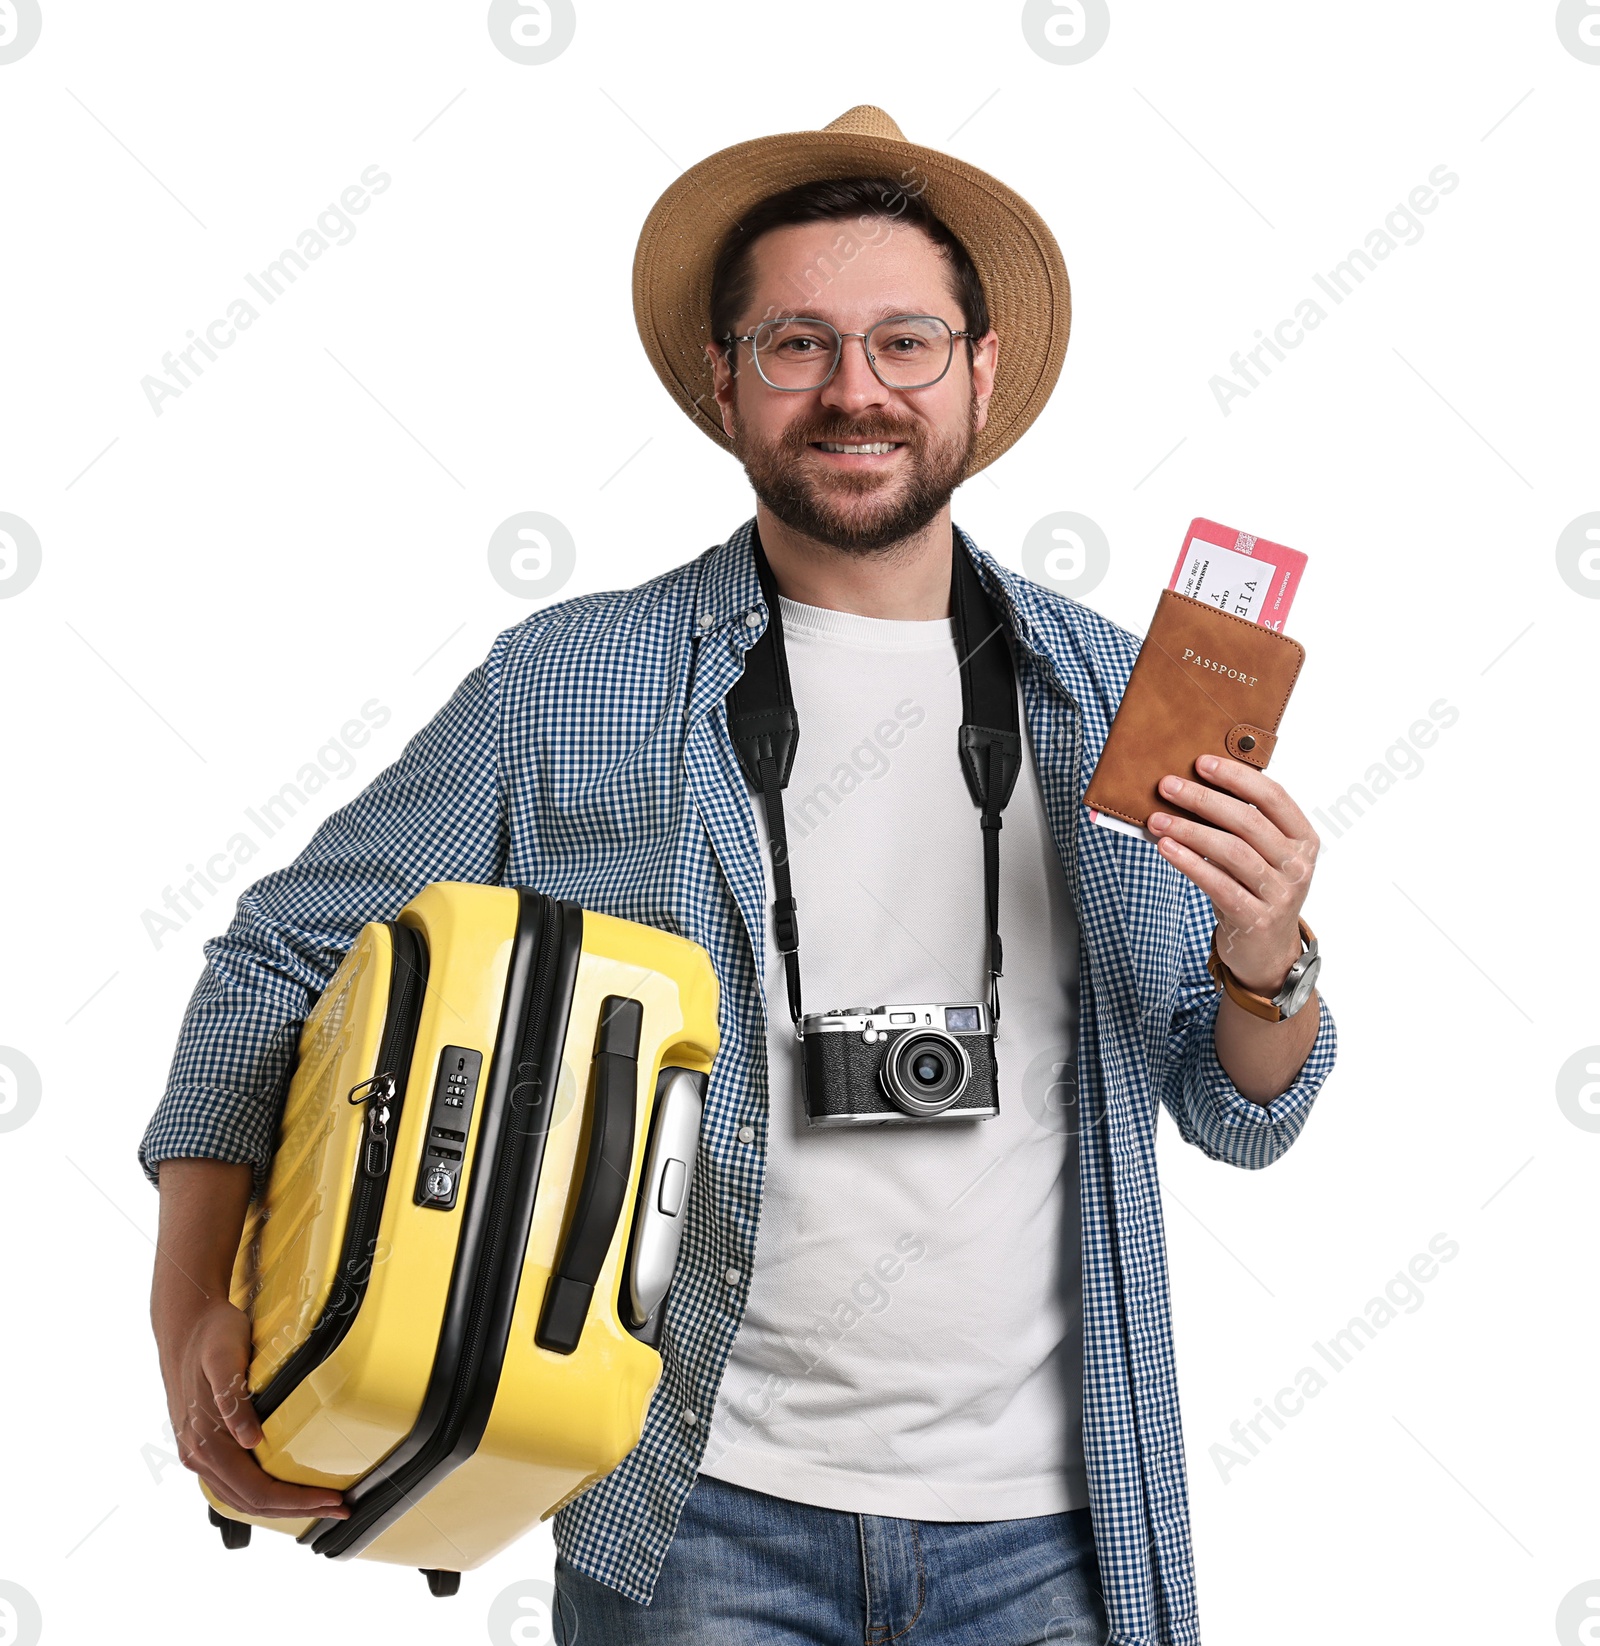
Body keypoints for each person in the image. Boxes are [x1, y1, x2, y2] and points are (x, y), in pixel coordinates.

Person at [142, 105, 1337, 1645]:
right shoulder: (568, 683)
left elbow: (1242, 1104)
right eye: (797, 344)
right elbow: (276, 965)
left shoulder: (1117, 696)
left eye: (906, 342)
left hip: (1057, 1528)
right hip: (697, 1516)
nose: (857, 391)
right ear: (724, 382)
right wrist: (189, 1309)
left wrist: (1269, 953)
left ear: (981, 371)